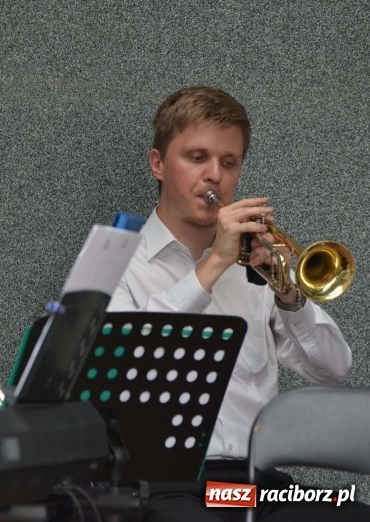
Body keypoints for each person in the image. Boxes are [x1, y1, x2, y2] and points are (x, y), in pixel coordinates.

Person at [109, 85, 369, 521]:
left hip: (250, 489)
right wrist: (215, 264)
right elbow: (129, 357)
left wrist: (288, 294)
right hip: (163, 486)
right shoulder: (116, 260)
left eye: (228, 163)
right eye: (197, 158)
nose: (214, 175)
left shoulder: (258, 264)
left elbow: (334, 369)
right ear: (158, 164)